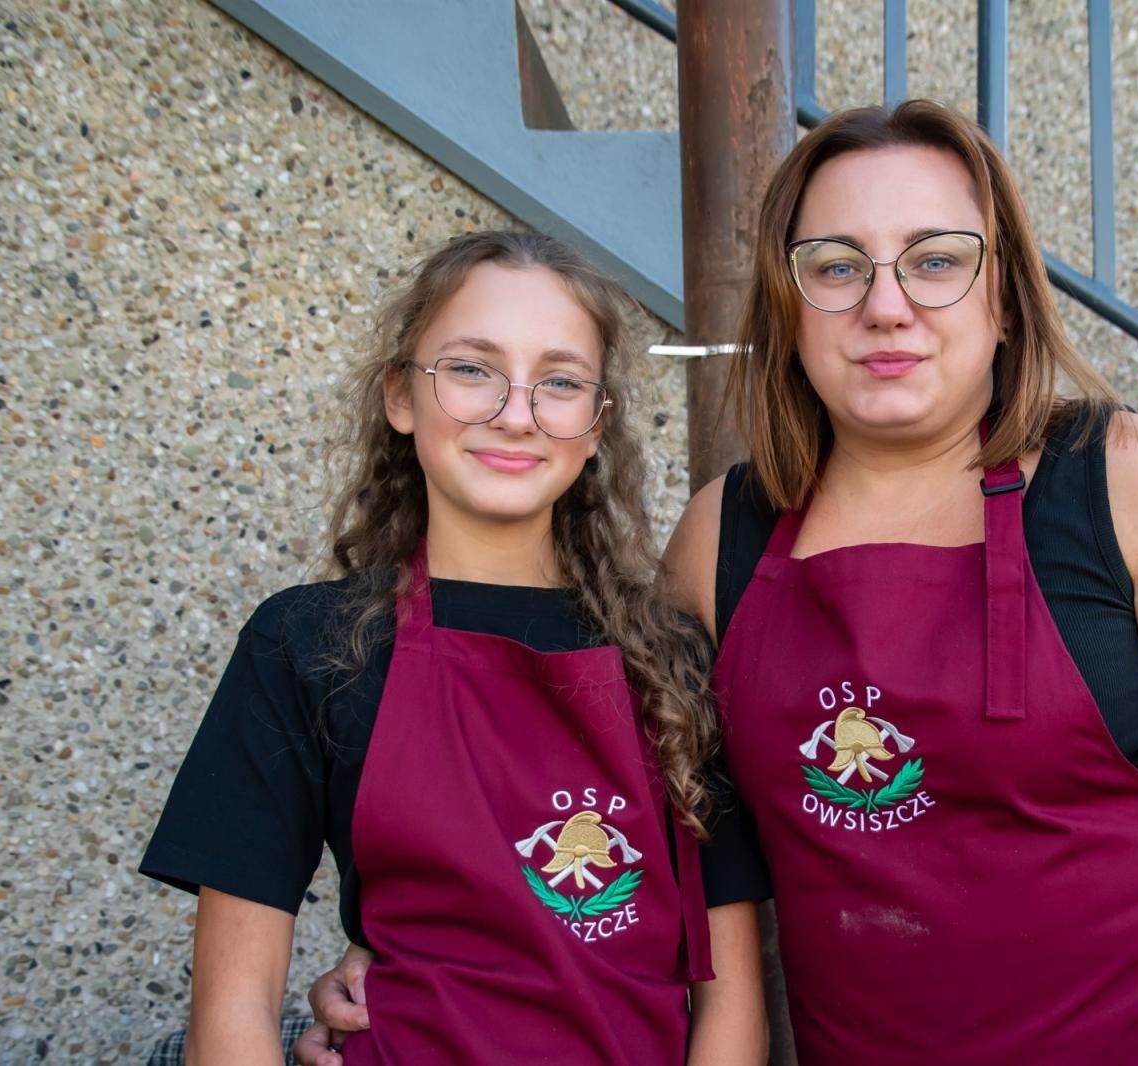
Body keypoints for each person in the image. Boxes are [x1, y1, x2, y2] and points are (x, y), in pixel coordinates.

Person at [303, 101, 1138, 1064]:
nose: (885, 304)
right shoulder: (721, 539)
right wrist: (409, 949)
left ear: (1004, 295)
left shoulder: (1121, 482)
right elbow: (596, 809)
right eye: (835, 265)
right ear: (790, 305)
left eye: (933, 259)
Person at [139, 230, 767, 1065]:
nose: (516, 412)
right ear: (402, 394)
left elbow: (729, 1002)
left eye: (560, 381)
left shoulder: (673, 659)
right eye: (471, 369)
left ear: (595, 426)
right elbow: (232, 1019)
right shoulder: (306, 646)